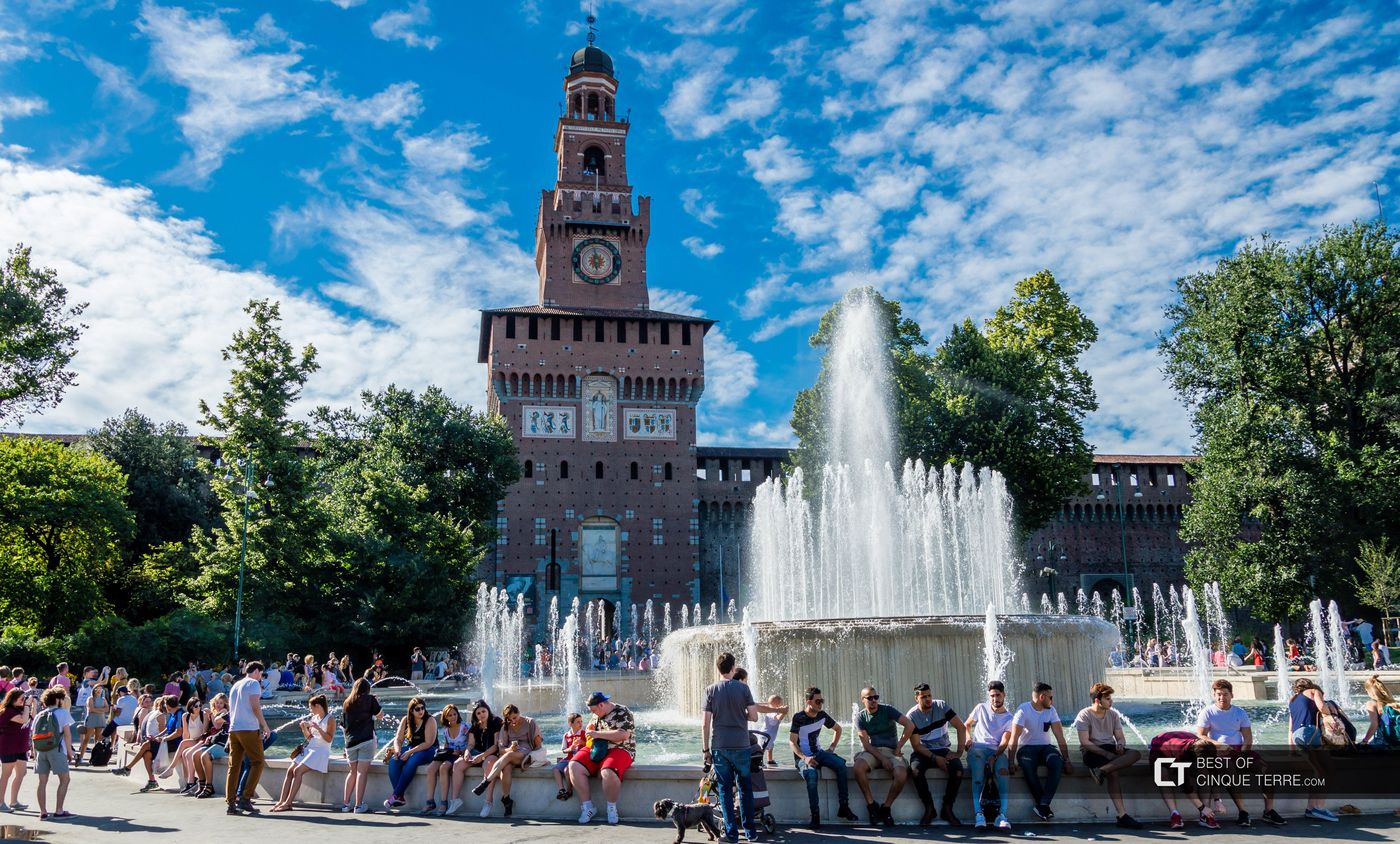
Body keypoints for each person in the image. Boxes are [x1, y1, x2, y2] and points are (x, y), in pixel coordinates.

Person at [1195, 678, 1285, 826]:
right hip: (1219, 753)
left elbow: (1248, 736)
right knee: (1230, 772)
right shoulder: (1207, 712)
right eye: (1218, 694)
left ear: (1232, 695)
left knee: (1267, 771)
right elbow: (1201, 736)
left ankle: (1269, 811)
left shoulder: (1240, 712)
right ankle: (1243, 812)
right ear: (1214, 695)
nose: (1222, 697)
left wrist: (1243, 754)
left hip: (1240, 751)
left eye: (1225, 694)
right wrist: (1218, 744)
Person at [702, 652, 759, 842]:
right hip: (742, 745)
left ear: (718, 669)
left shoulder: (710, 690)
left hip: (720, 746)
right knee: (745, 788)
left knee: (725, 790)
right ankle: (751, 832)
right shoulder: (744, 688)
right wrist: (741, 714)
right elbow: (754, 716)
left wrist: (705, 750)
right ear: (733, 668)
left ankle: (731, 834)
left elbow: (705, 724)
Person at [1072, 683, 1142, 828]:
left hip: (1110, 748)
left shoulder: (1113, 714)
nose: (1111, 702)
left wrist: (1120, 745)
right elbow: (1085, 742)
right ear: (1098, 700)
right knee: (1114, 772)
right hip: (1092, 751)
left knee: (1135, 753)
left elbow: (1120, 737)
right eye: (1108, 699)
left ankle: (1101, 771)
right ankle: (1122, 815)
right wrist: (1106, 754)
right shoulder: (1084, 715)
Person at [789, 686, 858, 829]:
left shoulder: (822, 716)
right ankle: (815, 816)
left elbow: (838, 729)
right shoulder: (799, 717)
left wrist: (832, 748)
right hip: (803, 758)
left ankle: (844, 807)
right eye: (817, 701)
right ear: (808, 702)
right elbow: (792, 742)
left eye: (822, 701)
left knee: (841, 765)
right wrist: (804, 758)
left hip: (819, 754)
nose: (820, 704)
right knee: (811, 775)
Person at [567, 691, 636, 825]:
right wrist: (589, 731)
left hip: (621, 748)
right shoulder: (597, 713)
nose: (593, 713)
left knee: (607, 771)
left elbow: (623, 735)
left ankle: (611, 808)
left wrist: (598, 734)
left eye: (594, 710)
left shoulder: (623, 711)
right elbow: (591, 731)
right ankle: (588, 807)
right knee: (574, 765)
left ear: (601, 705)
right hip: (598, 748)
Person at [1007, 681, 1073, 821]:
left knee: (1057, 762)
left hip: (1046, 748)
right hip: (1027, 749)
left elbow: (1060, 736)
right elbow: (1014, 737)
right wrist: (1011, 761)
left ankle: (1043, 805)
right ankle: (1044, 805)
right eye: (1050, 697)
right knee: (1028, 766)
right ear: (1042, 697)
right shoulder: (1023, 710)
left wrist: (1067, 760)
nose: (1052, 701)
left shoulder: (1051, 710)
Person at [905, 682, 966, 826]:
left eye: (929, 696)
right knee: (915, 770)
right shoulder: (911, 716)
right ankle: (929, 808)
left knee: (958, 771)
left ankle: (947, 808)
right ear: (916, 698)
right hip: (923, 751)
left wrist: (959, 752)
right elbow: (916, 745)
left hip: (943, 749)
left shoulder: (941, 706)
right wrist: (935, 758)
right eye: (924, 697)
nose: (928, 699)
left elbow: (961, 727)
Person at [853, 685, 914, 826]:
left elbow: (909, 725)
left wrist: (899, 746)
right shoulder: (860, 717)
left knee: (901, 774)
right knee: (858, 768)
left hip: (892, 751)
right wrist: (882, 759)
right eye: (870, 698)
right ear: (863, 700)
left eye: (876, 697)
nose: (874, 700)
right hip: (873, 752)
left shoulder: (887, 710)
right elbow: (866, 745)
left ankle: (886, 808)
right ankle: (871, 805)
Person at [475, 703, 547, 817]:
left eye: (515, 717)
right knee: (506, 768)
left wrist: (537, 754)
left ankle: (486, 781)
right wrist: (510, 749)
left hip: (525, 754)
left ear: (519, 713)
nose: (513, 721)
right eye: (510, 719)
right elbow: (501, 749)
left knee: (508, 757)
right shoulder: (505, 726)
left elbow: (537, 744)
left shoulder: (530, 722)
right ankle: (506, 800)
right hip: (510, 754)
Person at [270, 694, 336, 812]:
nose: (310, 710)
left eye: (311, 707)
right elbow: (310, 738)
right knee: (290, 771)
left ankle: (288, 803)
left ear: (317, 706)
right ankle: (281, 801)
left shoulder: (330, 719)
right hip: (310, 748)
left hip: (321, 751)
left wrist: (318, 728)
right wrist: (303, 728)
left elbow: (329, 739)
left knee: (297, 771)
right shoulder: (314, 718)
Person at [964, 680, 1013, 830]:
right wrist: (968, 738)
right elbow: (967, 725)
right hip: (977, 749)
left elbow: (1005, 741)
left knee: (1003, 773)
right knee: (978, 774)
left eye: (998, 695)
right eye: (992, 696)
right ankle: (979, 814)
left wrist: (995, 756)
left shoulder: (1009, 718)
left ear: (1004, 695)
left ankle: (1002, 815)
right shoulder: (981, 708)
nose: (995, 699)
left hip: (996, 751)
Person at [1286, 678, 1336, 821]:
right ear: (1310, 685)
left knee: (1318, 772)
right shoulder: (1313, 691)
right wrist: (1330, 713)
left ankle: (1310, 808)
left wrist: (1291, 749)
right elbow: (1322, 707)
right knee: (1329, 770)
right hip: (1309, 733)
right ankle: (1319, 807)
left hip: (1297, 736)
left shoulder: (1292, 700)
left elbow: (1290, 728)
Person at [225, 661, 272, 816]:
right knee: (258, 762)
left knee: (234, 766)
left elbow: (232, 709)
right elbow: (255, 706)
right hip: (249, 728)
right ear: (256, 671)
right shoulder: (253, 683)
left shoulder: (236, 685)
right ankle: (245, 798)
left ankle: (231, 803)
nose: (261, 677)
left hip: (234, 729)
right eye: (261, 674)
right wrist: (265, 726)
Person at [1148, 731, 1220, 828]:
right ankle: (1174, 814)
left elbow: (1214, 773)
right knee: (1162, 776)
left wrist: (1217, 800)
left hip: (1181, 740)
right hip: (1159, 748)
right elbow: (1185, 784)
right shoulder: (1182, 754)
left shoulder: (1208, 749)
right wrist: (1201, 807)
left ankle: (1205, 816)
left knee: (1205, 773)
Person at [110, 694, 181, 791]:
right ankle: (152, 781)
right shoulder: (169, 714)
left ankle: (127, 768)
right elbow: (166, 730)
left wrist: (162, 738)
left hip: (172, 744)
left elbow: (177, 733)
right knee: (147, 754)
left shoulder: (177, 714)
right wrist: (156, 737)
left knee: (146, 745)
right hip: (165, 741)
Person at [383, 695, 437, 810]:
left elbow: (428, 743)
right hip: (413, 748)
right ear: (411, 711)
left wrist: (409, 752)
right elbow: (398, 740)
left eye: (422, 708)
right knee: (394, 760)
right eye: (417, 709)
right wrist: (397, 751)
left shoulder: (430, 720)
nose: (421, 711)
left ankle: (396, 795)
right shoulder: (406, 720)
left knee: (412, 760)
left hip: (429, 750)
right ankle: (399, 796)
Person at [447, 699, 500, 815]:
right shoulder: (475, 725)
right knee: (457, 764)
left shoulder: (496, 721)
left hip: (491, 754)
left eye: (483, 711)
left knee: (489, 765)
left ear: (488, 710)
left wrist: (482, 756)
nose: (481, 715)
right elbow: (471, 744)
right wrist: (467, 752)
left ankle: (488, 801)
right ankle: (455, 800)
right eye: (478, 713)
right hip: (477, 753)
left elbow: (496, 745)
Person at [340, 675, 382, 813]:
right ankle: (358, 805)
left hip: (350, 742)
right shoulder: (370, 699)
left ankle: (345, 804)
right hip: (366, 739)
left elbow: (343, 725)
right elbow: (380, 715)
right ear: (367, 689)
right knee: (361, 773)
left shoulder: (347, 702)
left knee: (352, 772)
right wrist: (376, 704)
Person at [33, 687, 74, 819]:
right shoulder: (63, 713)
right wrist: (70, 752)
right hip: (56, 749)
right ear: (57, 699)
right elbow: (67, 735)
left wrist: (35, 753)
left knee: (42, 782)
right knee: (65, 779)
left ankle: (43, 812)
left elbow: (34, 735)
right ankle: (59, 810)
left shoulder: (40, 715)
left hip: (41, 750)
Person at [422, 703, 466, 815]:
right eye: (450, 715)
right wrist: (444, 751)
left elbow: (471, 743)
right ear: (446, 717)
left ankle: (444, 802)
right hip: (450, 753)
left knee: (443, 767)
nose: (453, 717)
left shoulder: (465, 727)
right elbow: (446, 744)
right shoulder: (446, 729)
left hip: (460, 755)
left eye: (455, 714)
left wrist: (461, 751)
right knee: (430, 769)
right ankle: (430, 801)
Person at [161, 696, 210, 792]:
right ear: (191, 706)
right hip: (192, 741)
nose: (199, 708)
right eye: (196, 706)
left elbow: (204, 733)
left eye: (200, 705)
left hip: (201, 740)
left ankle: (176, 772)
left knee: (186, 751)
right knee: (184, 750)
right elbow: (185, 734)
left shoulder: (203, 715)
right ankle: (189, 780)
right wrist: (187, 744)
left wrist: (192, 741)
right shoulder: (185, 716)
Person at [189, 694, 229, 798]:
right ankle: (202, 783)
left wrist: (211, 714)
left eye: (221, 703)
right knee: (195, 755)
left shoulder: (225, 712)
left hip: (224, 743)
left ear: (225, 704)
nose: (219, 705)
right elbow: (210, 729)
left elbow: (217, 725)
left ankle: (209, 786)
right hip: (215, 741)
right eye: (217, 702)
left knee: (205, 756)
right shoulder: (214, 713)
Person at [0, 687, 30, 813]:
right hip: (8, 746)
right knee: (6, 775)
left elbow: (30, 718)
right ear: (13, 699)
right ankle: (0, 803)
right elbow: (23, 720)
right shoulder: (8, 711)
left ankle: (14, 801)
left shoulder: (20, 709)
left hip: (21, 746)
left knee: (21, 773)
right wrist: (27, 705)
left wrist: (31, 705)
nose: (24, 701)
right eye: (21, 699)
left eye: (24, 698)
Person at [553, 713, 586, 800]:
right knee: (556, 769)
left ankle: (569, 790)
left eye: (581, 721)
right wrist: (570, 748)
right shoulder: (566, 735)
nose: (581, 724)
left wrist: (582, 742)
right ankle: (561, 789)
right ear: (570, 723)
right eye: (578, 722)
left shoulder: (584, 734)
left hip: (579, 760)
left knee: (566, 770)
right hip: (569, 758)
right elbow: (564, 750)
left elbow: (590, 746)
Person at [1360, 674, 1400, 746]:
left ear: (1368, 691)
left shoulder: (1371, 704)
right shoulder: (1391, 702)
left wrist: (1365, 740)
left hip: (1384, 740)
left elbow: (1374, 724)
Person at [78, 678, 109, 764]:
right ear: (94, 690)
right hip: (91, 720)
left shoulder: (103, 699)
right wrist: (101, 710)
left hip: (100, 720)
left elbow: (107, 709)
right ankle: (81, 757)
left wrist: (98, 710)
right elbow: (91, 709)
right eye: (97, 689)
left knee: (97, 740)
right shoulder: (90, 699)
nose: (99, 690)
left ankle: (95, 757)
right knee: (87, 739)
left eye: (100, 689)